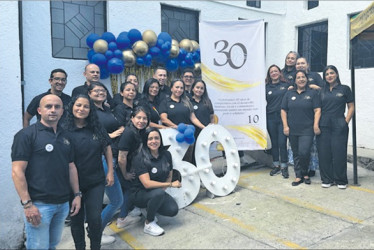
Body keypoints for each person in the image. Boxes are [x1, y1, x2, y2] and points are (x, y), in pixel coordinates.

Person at [11, 94, 81, 249]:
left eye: (57, 107)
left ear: (63, 111)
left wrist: (77, 194)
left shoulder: (66, 136)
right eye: (48, 107)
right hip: (39, 205)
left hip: (62, 204)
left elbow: (71, 166)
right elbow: (17, 172)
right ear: (39, 110)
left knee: (52, 245)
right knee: (38, 247)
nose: (53, 110)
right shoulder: (26, 135)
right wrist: (28, 205)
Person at [64, 95, 114, 249]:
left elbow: (107, 148)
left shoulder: (96, 127)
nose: (81, 109)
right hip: (72, 185)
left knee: (94, 219)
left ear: (90, 110)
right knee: (76, 219)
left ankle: (95, 246)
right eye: (78, 105)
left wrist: (110, 171)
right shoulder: (63, 129)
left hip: (95, 181)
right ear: (72, 107)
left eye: (86, 106)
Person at [86, 82, 129, 242]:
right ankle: (95, 232)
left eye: (103, 90)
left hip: (113, 155)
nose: (100, 93)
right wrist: (111, 135)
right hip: (101, 158)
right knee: (116, 200)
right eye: (96, 91)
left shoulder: (106, 109)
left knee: (113, 199)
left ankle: (94, 227)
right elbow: (90, 136)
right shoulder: (90, 112)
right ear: (89, 93)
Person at [131, 127, 181, 236]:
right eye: (150, 139)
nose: (154, 141)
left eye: (156, 138)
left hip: (157, 192)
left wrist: (163, 190)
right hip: (139, 193)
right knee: (158, 193)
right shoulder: (139, 157)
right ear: (145, 141)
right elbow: (147, 183)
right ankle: (149, 223)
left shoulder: (166, 155)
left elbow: (169, 175)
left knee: (173, 210)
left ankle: (150, 206)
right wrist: (170, 185)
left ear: (160, 140)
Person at [317, 65, 354, 189]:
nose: (329, 76)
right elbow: (318, 109)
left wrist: (346, 121)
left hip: (339, 123)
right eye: (327, 74)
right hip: (324, 124)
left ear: (336, 74)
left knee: (339, 152)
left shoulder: (345, 89)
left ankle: (341, 180)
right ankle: (327, 179)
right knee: (324, 153)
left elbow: (351, 106)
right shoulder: (321, 91)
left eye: (332, 73)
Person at [281, 70, 321, 186]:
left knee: (304, 152)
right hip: (292, 129)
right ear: (295, 80)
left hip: (307, 129)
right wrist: (285, 126)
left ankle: (305, 172)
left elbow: (317, 110)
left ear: (307, 79)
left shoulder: (312, 93)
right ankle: (299, 176)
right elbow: (283, 110)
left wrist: (315, 124)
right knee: (296, 153)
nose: (301, 79)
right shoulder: (289, 94)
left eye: (303, 77)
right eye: (298, 77)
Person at [116, 106, 150, 228]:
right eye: (138, 118)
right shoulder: (129, 132)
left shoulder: (141, 132)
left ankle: (132, 210)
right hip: (121, 166)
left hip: (130, 164)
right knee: (130, 191)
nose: (141, 121)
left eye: (144, 118)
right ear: (132, 118)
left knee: (130, 190)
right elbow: (121, 158)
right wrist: (125, 174)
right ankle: (122, 218)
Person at [293, 57, 324, 176]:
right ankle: (301, 170)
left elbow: (324, 89)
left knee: (312, 147)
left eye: (302, 63)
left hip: (313, 113)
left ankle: (312, 168)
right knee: (301, 149)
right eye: (298, 63)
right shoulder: (293, 77)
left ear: (307, 65)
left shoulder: (315, 75)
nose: (300, 65)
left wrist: (316, 87)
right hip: (299, 118)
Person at [265, 65, 290, 178]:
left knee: (282, 142)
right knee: (274, 143)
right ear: (269, 75)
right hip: (270, 117)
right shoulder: (266, 87)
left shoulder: (286, 86)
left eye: (276, 71)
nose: (274, 73)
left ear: (280, 73)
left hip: (283, 119)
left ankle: (284, 166)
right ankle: (276, 166)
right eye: (271, 72)